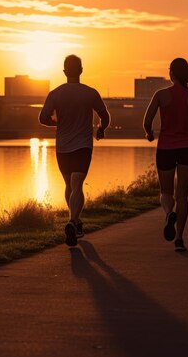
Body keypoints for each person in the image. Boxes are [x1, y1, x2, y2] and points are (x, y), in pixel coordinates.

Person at [39, 55, 110, 247]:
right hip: (82, 146)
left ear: (64, 72)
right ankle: (73, 222)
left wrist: (57, 123)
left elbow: (42, 117)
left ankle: (76, 223)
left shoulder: (55, 94)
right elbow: (105, 116)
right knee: (77, 186)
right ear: (81, 70)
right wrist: (101, 129)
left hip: (62, 147)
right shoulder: (90, 93)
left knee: (69, 186)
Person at [143, 57, 188, 252]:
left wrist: (149, 133)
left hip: (165, 148)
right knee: (182, 195)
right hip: (187, 148)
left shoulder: (161, 95)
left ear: (172, 73)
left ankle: (168, 213)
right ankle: (179, 240)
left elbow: (147, 120)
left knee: (165, 192)